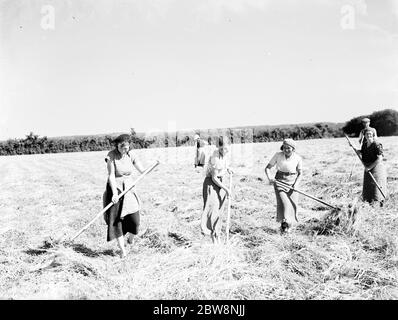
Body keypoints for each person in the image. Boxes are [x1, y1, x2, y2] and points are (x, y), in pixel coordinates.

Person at [103, 134, 146, 258]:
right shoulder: (111, 156)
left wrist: (147, 170)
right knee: (117, 222)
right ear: (117, 145)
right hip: (115, 188)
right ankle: (123, 251)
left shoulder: (130, 154)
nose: (124, 149)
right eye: (122, 147)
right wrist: (115, 193)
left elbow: (141, 169)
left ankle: (131, 239)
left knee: (135, 219)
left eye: (126, 147)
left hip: (129, 188)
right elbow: (111, 175)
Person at [265, 139, 303, 234]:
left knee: (292, 205)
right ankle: (285, 222)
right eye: (284, 148)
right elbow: (267, 168)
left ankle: (287, 227)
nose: (286, 150)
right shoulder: (278, 155)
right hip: (279, 181)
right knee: (284, 203)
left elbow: (300, 173)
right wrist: (270, 178)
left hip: (293, 182)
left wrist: (296, 184)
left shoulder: (298, 158)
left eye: (288, 148)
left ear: (293, 149)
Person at [201, 136, 233, 244]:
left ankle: (217, 235)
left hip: (222, 181)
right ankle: (213, 238)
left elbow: (225, 165)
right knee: (212, 210)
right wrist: (227, 189)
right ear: (217, 147)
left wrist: (228, 169)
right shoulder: (215, 156)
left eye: (225, 148)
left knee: (220, 210)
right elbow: (214, 177)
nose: (223, 150)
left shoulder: (227, 154)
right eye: (221, 148)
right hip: (212, 183)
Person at [356, 129, 387, 204]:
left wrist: (370, 167)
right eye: (367, 134)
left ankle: (379, 201)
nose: (369, 135)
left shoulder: (377, 144)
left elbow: (380, 158)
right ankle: (368, 201)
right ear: (365, 136)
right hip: (367, 166)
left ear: (373, 135)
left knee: (376, 185)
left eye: (370, 134)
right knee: (368, 185)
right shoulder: (364, 144)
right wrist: (357, 150)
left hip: (377, 168)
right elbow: (363, 152)